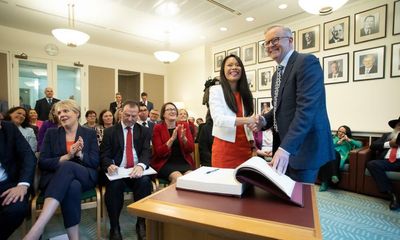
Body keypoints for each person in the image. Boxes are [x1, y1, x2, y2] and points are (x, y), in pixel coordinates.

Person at [251, 25, 335, 183]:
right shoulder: (277, 74)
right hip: (284, 149)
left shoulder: (306, 62)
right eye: (266, 43)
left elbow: (306, 110)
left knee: (299, 200)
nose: (270, 46)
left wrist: (286, 148)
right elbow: (280, 108)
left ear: (290, 40)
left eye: (275, 40)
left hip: (303, 148)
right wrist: (264, 120)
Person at [25, 99, 99, 239]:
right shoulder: (51, 133)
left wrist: (80, 155)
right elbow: (43, 162)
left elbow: (95, 162)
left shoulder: (89, 134)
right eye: (59, 112)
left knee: (68, 167)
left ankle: (37, 228)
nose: (62, 115)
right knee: (72, 186)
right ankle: (74, 238)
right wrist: (68, 156)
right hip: (55, 178)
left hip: (85, 176)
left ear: (77, 113)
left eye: (66, 111)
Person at [100, 100, 152, 240]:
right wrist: (109, 165)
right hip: (118, 171)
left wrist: (141, 166)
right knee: (114, 186)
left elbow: (147, 152)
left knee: (145, 182)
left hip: (136, 171)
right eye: (127, 115)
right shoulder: (110, 131)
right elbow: (104, 154)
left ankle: (141, 223)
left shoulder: (144, 131)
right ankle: (115, 227)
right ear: (121, 112)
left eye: (133, 116)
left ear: (138, 115)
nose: (130, 119)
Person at [209, 54, 257, 168]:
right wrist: (249, 120)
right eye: (229, 65)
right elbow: (218, 119)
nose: (234, 67)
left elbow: (248, 125)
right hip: (225, 150)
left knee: (246, 185)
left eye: (237, 65)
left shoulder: (246, 93)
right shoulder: (215, 90)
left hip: (246, 150)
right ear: (223, 70)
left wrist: (253, 146)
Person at [0, 120, 37, 239]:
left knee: (17, 209)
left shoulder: (8, 128)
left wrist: (23, 184)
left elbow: (28, 156)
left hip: (9, 183)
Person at [151, 102, 195, 184]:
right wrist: (171, 139)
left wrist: (184, 139)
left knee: (191, 178)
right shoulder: (158, 128)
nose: (172, 111)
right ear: (163, 114)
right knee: (178, 178)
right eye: (169, 109)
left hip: (183, 162)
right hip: (165, 163)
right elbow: (159, 152)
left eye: (174, 109)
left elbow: (191, 149)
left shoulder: (184, 125)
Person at [366, 116, 400, 210]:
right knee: (372, 164)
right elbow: (373, 146)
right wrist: (389, 144)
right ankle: (393, 195)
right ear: (396, 126)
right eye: (399, 124)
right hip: (387, 161)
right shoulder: (387, 135)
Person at [319, 125, 362, 192]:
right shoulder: (333, 138)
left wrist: (349, 140)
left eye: (343, 132)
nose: (340, 133)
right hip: (331, 156)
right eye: (339, 131)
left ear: (346, 134)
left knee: (331, 156)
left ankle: (325, 183)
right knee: (331, 153)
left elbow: (360, 145)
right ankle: (334, 175)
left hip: (342, 157)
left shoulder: (349, 141)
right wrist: (338, 143)